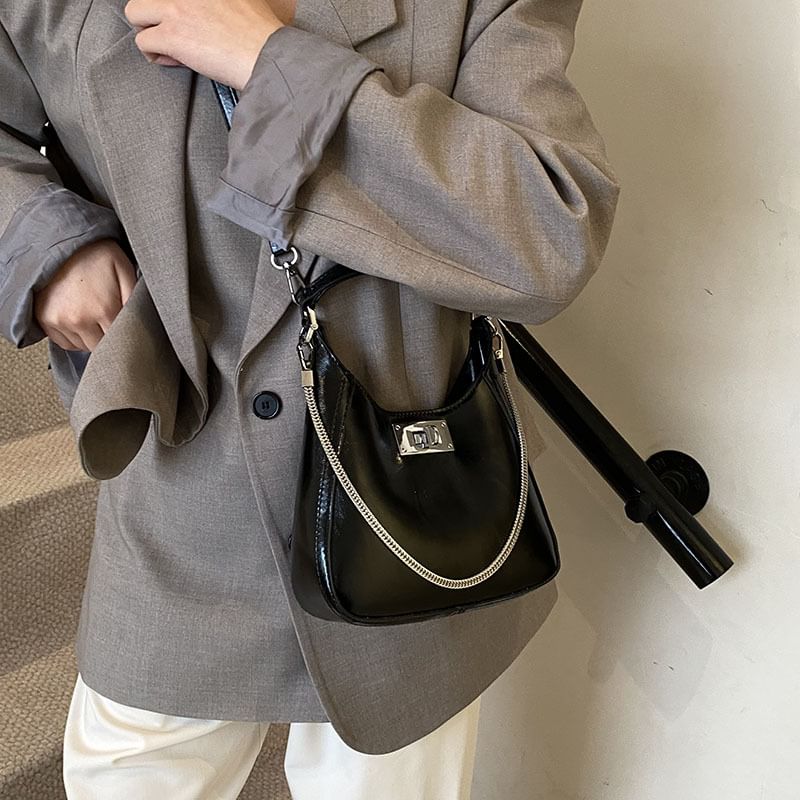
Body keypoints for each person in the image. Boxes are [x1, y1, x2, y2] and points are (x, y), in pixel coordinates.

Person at [0, 0, 620, 796]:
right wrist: (45, 245)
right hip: (177, 501)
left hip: (412, 520)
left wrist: (274, 66)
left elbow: (552, 228)